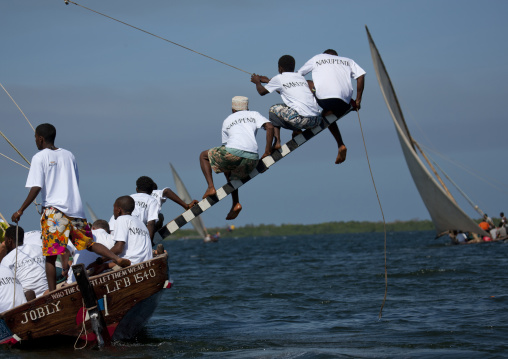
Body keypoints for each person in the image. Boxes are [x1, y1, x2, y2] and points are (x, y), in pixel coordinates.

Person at [11, 123, 130, 291]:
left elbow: (36, 186)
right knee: (88, 243)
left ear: (40, 138)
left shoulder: (39, 157)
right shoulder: (69, 155)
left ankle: (52, 293)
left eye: (35, 139)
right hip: (75, 211)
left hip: (54, 213)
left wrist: (20, 210)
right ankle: (115, 258)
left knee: (50, 256)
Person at [199, 96, 274, 220]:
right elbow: (270, 127)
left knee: (203, 156)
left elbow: (226, 146)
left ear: (233, 109)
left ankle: (210, 187)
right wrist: (267, 152)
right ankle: (235, 204)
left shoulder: (228, 119)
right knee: (230, 170)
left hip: (233, 153)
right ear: (247, 107)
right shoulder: (254, 114)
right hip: (252, 159)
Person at [297, 49, 366, 164]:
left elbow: (298, 75)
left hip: (324, 99)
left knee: (307, 83)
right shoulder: (347, 61)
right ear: (336, 57)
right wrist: (358, 100)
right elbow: (361, 76)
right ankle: (340, 145)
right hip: (344, 102)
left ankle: (309, 114)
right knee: (327, 114)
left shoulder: (317, 58)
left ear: (325, 55)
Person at [250, 55, 322, 151]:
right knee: (293, 106)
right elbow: (286, 91)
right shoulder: (300, 77)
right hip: (316, 120)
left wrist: (257, 82)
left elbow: (261, 92)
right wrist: (267, 80)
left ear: (280, 68)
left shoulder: (279, 78)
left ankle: (277, 142)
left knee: (274, 109)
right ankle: (297, 131)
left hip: (301, 120)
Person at [92, 196, 153, 274]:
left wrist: (100, 260)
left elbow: (119, 248)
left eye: (114, 207)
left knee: (95, 268)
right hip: (146, 264)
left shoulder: (122, 219)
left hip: (132, 265)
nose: (113, 211)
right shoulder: (140, 222)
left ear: (119, 210)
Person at [0, 225, 48, 298]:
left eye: (5, 239)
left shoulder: (6, 260)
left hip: (27, 299)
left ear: (9, 241)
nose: (4, 242)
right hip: (46, 292)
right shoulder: (37, 248)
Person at [67, 219, 115, 284]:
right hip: (103, 278)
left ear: (92, 228)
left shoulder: (81, 236)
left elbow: (66, 251)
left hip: (76, 280)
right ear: (109, 231)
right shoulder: (112, 238)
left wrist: (64, 269)